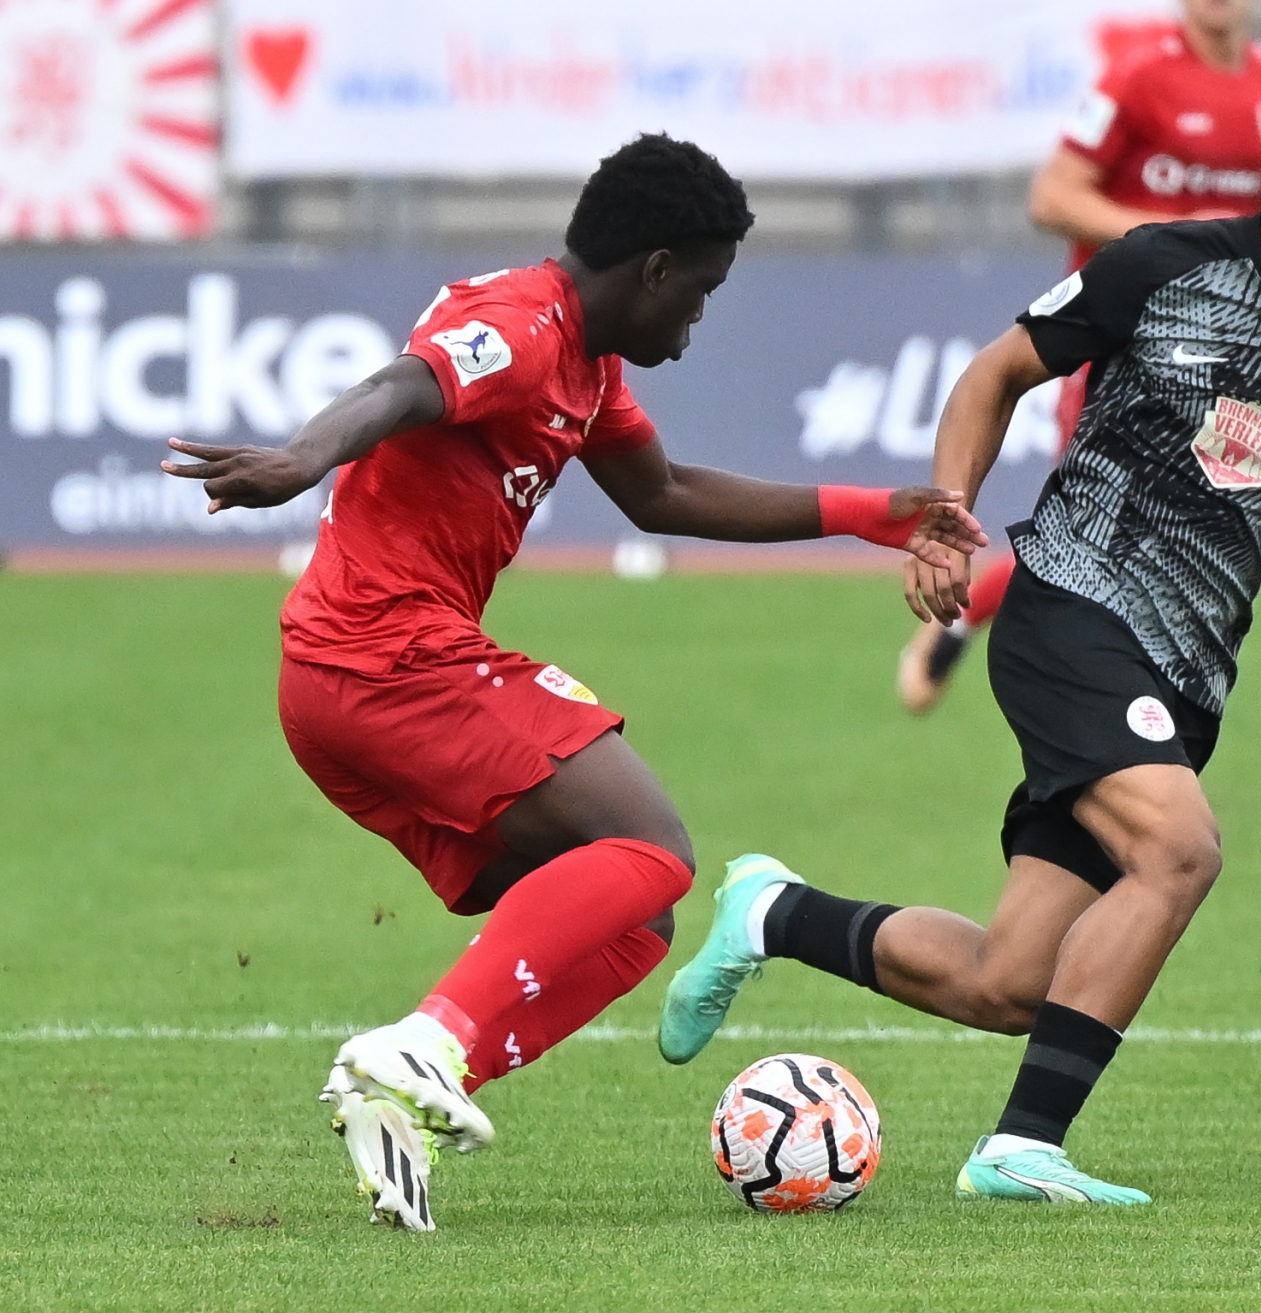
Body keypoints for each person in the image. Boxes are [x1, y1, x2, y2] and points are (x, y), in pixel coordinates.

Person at [159, 134, 984, 1232]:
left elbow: (665, 492)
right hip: (383, 656)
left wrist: (878, 514)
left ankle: (398, 1092)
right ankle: (427, 1042)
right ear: (653, 268)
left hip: (346, 681)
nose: (697, 320)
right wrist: (304, 456)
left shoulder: (587, 367)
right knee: (654, 845)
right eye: (699, 292)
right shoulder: (522, 325)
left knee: (633, 922)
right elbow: (404, 385)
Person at [661, 95, 1261, 1205]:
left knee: (1011, 980)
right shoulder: (1165, 265)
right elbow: (995, 375)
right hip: (1070, 604)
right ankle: (1022, 1144)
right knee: (1180, 851)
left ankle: (772, 912)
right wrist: (947, 517)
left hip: (1187, 673)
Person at [896, 0, 1261, 714]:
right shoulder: (1136, 77)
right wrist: (1174, 237)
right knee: (1090, 521)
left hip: (1213, 353)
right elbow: (1052, 197)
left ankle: (1108, 683)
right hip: (1113, 342)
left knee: (1154, 537)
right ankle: (985, 633)